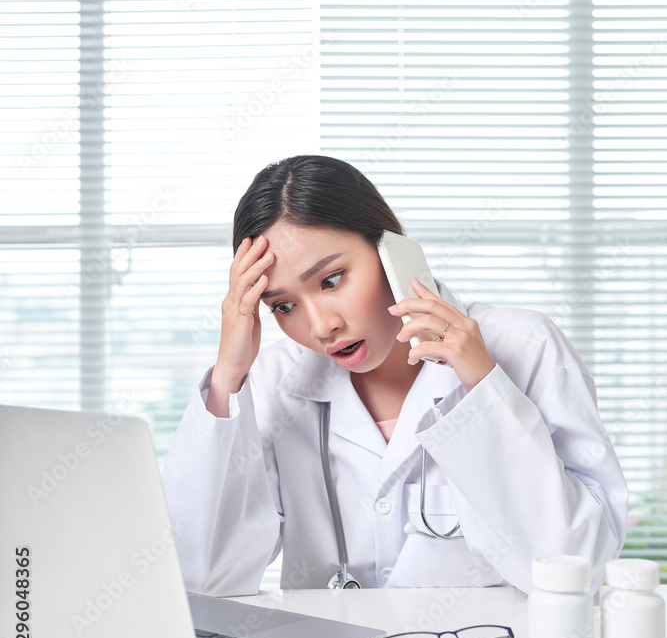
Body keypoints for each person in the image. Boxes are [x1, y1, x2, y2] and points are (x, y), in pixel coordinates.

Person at [162, 155, 628, 595]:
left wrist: (485, 390)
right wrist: (227, 377)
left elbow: (576, 565)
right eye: (283, 306)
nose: (322, 326)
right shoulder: (272, 381)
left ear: (393, 249)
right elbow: (203, 578)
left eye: (331, 280)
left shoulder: (526, 348)